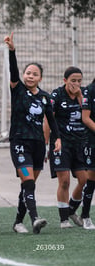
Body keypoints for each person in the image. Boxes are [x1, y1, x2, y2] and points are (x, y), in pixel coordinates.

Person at [4, 33, 61, 234]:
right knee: (27, 181)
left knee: (28, 185)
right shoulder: (18, 89)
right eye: (28, 72)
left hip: (38, 145)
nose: (30, 76)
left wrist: (57, 139)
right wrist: (12, 51)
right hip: (19, 142)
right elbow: (13, 72)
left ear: (40, 78)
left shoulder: (45, 97)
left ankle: (18, 222)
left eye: (34, 74)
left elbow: (52, 121)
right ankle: (35, 218)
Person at [48, 67, 91, 229]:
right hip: (62, 144)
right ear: (65, 80)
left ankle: (71, 209)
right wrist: (48, 143)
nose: (76, 84)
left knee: (84, 180)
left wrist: (80, 95)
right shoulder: (57, 95)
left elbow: (87, 114)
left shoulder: (84, 94)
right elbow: (49, 120)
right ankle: (64, 219)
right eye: (73, 80)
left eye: (79, 81)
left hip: (80, 144)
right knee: (64, 181)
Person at [81, 78, 95, 229]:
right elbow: (85, 118)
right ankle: (85, 216)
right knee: (91, 179)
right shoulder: (90, 90)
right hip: (92, 141)